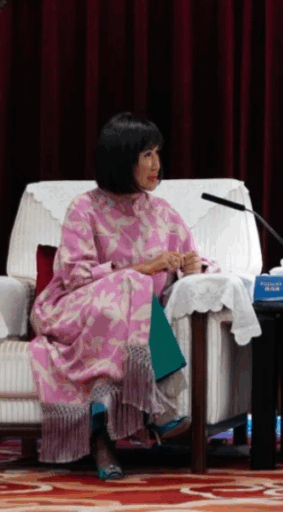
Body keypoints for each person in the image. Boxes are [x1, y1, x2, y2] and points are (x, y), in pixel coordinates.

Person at [29, 112, 218, 480]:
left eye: (158, 153)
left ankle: (104, 442)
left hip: (130, 319)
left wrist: (193, 267)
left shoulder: (163, 213)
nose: (157, 164)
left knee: (130, 293)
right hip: (72, 309)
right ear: (121, 158)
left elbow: (194, 260)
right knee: (130, 284)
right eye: (147, 155)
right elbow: (75, 275)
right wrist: (144, 269)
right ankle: (156, 410)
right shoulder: (84, 208)